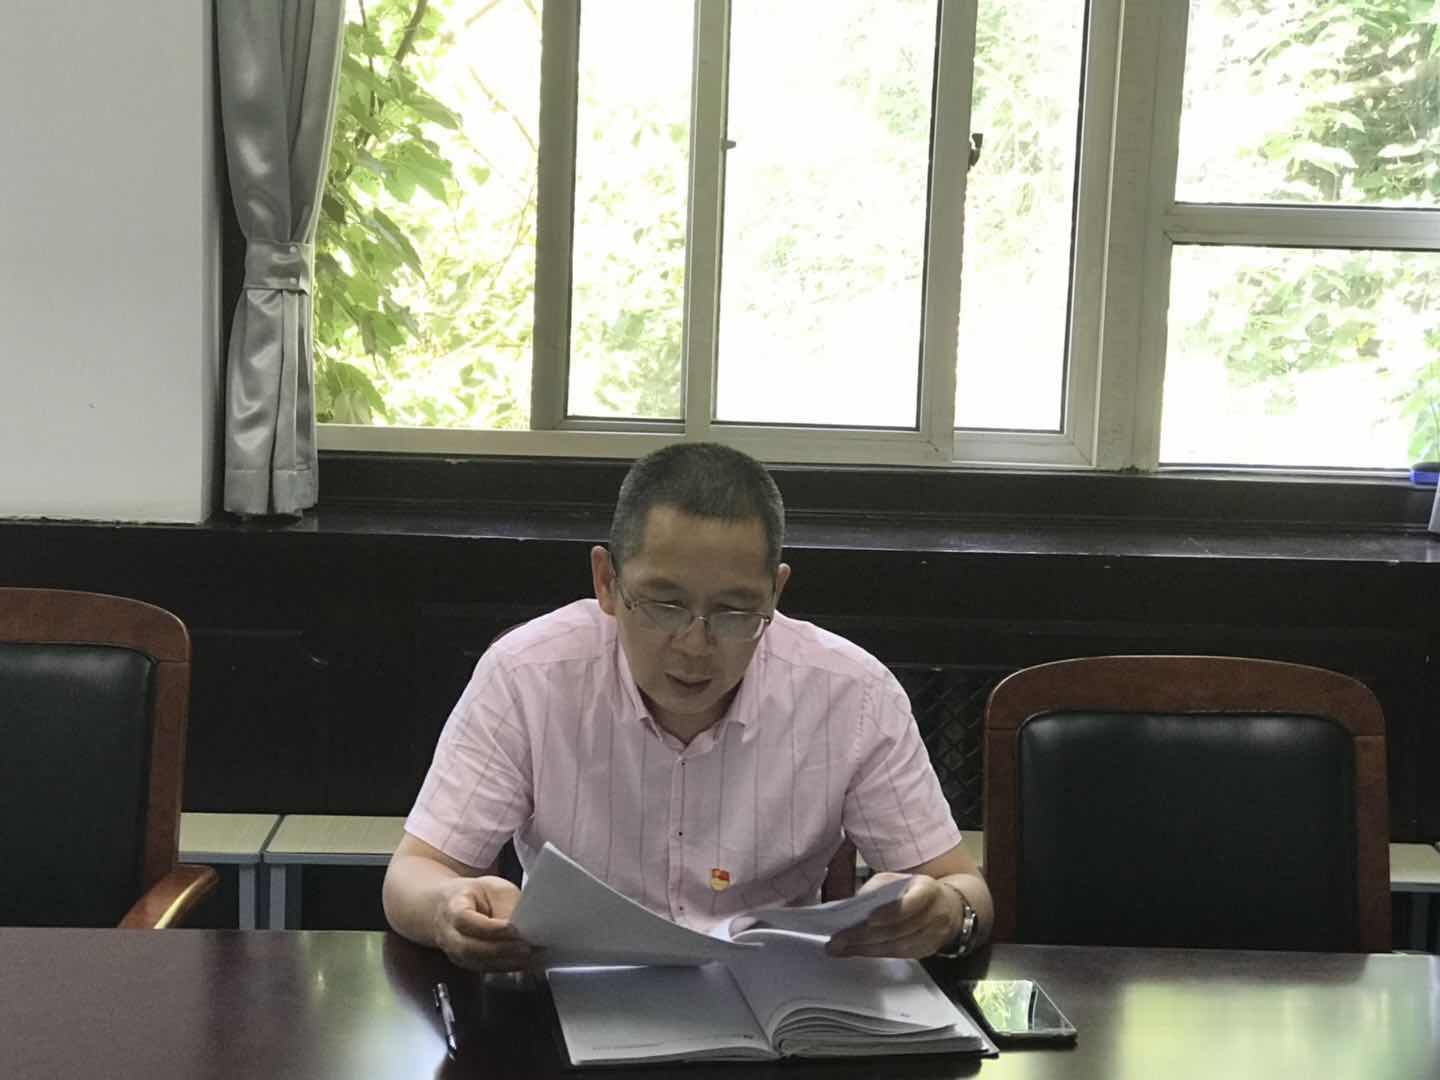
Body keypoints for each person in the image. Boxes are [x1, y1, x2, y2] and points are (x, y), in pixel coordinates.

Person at [383, 443, 992, 972]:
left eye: (734, 610)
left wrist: (948, 913)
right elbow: (414, 873)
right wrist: (446, 909)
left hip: (773, 1007)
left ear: (775, 591)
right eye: (663, 604)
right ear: (607, 582)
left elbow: (964, 887)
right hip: (573, 996)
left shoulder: (853, 693)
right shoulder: (527, 675)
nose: (695, 646)